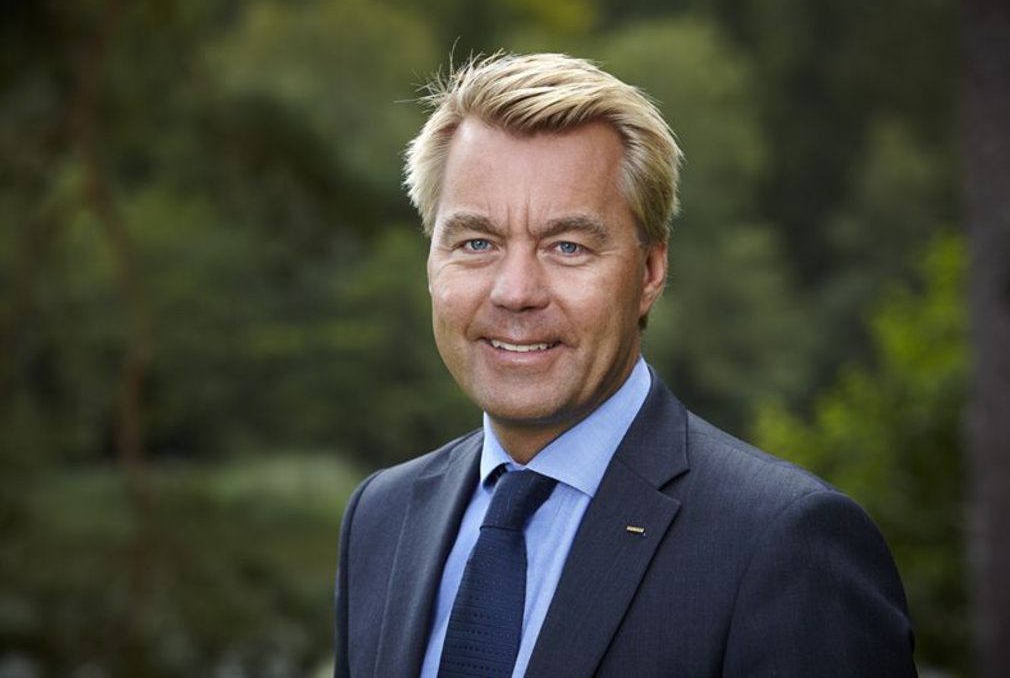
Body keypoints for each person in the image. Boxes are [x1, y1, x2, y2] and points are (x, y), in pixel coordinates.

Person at [334, 52, 916, 678]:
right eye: (477, 242)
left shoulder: (786, 544)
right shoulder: (381, 518)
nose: (515, 291)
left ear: (650, 272)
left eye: (568, 246)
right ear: (431, 261)